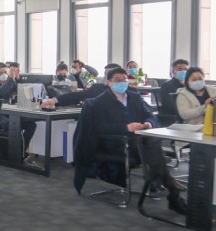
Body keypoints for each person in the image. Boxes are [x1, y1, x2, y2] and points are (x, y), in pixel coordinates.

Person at [80, 67, 187, 214]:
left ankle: (168, 189)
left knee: (150, 144)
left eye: (124, 80)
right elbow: (99, 127)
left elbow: (150, 115)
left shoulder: (134, 97)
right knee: (152, 146)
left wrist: (149, 123)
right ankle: (167, 185)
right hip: (116, 143)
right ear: (109, 83)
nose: (122, 83)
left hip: (137, 141)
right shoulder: (100, 101)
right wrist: (126, 127)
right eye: (118, 80)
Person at [0, 62, 37, 159]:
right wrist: (11, 79)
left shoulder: (9, 81)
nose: (4, 75)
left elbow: (21, 91)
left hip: (10, 113)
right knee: (13, 124)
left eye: (5, 72)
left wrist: (17, 79)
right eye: (1, 73)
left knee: (31, 125)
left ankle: (21, 151)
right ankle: (14, 154)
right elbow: (0, 91)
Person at [41, 63, 121, 108]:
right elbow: (77, 95)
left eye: (109, 73)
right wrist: (55, 100)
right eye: (105, 74)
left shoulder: (127, 91)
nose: (107, 76)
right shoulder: (98, 88)